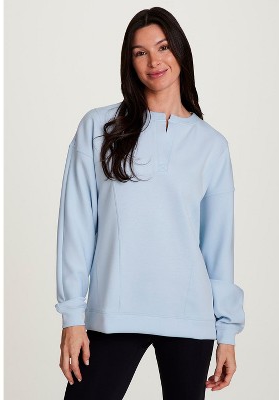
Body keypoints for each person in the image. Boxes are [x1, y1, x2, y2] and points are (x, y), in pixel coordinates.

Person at [55, 7, 245, 400]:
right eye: (140, 52)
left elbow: (218, 246)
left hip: (190, 316)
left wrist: (226, 332)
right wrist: (72, 315)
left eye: (162, 47)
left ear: (180, 51)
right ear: (129, 62)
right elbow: (76, 226)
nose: (154, 61)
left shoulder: (211, 145)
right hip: (114, 311)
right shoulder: (99, 127)